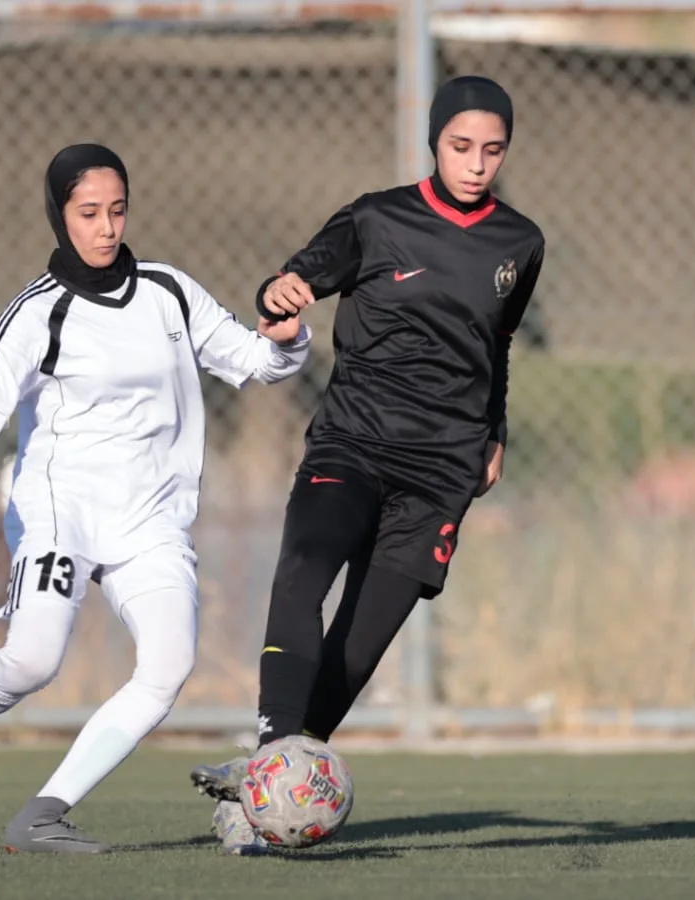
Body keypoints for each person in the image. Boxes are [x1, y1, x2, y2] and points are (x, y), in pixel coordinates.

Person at [0, 143, 311, 855]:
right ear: (59, 215)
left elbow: (258, 364)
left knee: (167, 667)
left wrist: (287, 340)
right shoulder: (38, 312)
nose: (105, 227)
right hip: (61, 512)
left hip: (151, 519)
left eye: (117, 211)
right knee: (32, 661)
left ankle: (43, 815)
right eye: (88, 212)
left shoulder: (169, 292)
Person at [188, 75, 545, 854]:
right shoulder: (378, 218)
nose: (477, 163)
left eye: (492, 150)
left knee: (362, 639)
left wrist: (496, 433)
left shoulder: (520, 244)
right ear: (434, 141)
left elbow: (498, 346)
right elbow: (296, 275)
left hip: (443, 470)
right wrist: (282, 291)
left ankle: (264, 788)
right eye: (461, 147)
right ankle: (277, 761)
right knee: (303, 576)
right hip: (353, 443)